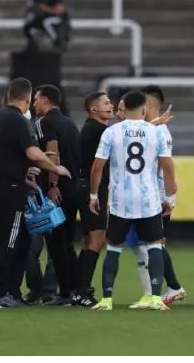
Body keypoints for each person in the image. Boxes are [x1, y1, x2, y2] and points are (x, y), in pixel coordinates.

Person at [0, 78, 71, 308]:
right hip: (8, 188)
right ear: (28, 99)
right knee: (10, 239)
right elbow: (34, 153)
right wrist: (56, 168)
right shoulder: (18, 121)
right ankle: (1, 294)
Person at [89, 91, 177, 311]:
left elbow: (97, 167)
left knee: (113, 248)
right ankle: (156, 298)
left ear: (123, 108)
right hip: (148, 198)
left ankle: (107, 299)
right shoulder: (155, 131)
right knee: (155, 245)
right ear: (145, 109)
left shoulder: (111, 132)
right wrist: (169, 197)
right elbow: (167, 167)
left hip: (120, 200)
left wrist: (93, 195)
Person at [125, 86, 186, 308]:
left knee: (147, 245)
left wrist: (166, 195)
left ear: (148, 105)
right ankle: (172, 287)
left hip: (153, 195)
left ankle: (153, 293)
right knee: (153, 244)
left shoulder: (158, 131)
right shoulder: (155, 129)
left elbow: (164, 166)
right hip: (150, 194)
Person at [33, 84, 80, 305]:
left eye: (36, 100)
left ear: (44, 100)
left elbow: (53, 150)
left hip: (57, 191)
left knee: (56, 245)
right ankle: (75, 289)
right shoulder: (70, 123)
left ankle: (64, 293)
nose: (34, 104)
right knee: (67, 242)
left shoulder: (44, 122)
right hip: (72, 189)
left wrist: (52, 184)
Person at [75, 91, 114, 307]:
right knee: (97, 239)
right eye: (106, 103)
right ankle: (82, 291)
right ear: (93, 109)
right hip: (93, 189)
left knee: (91, 240)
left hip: (89, 187)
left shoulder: (92, 129)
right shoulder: (98, 131)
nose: (111, 106)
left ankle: (79, 289)